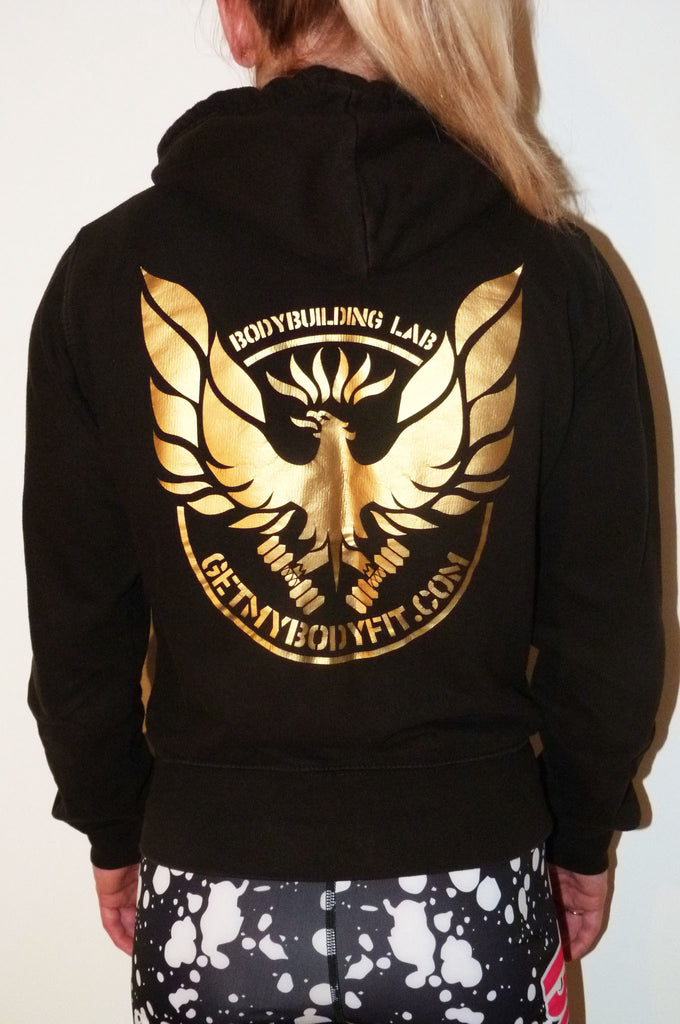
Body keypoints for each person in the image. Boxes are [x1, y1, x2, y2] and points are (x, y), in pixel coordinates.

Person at [24, 1, 664, 1021]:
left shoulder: (107, 273)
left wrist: (112, 820)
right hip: (468, 898)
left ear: (239, 19)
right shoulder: (552, 270)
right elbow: (607, 625)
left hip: (214, 907)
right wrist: (583, 830)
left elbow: (76, 628)